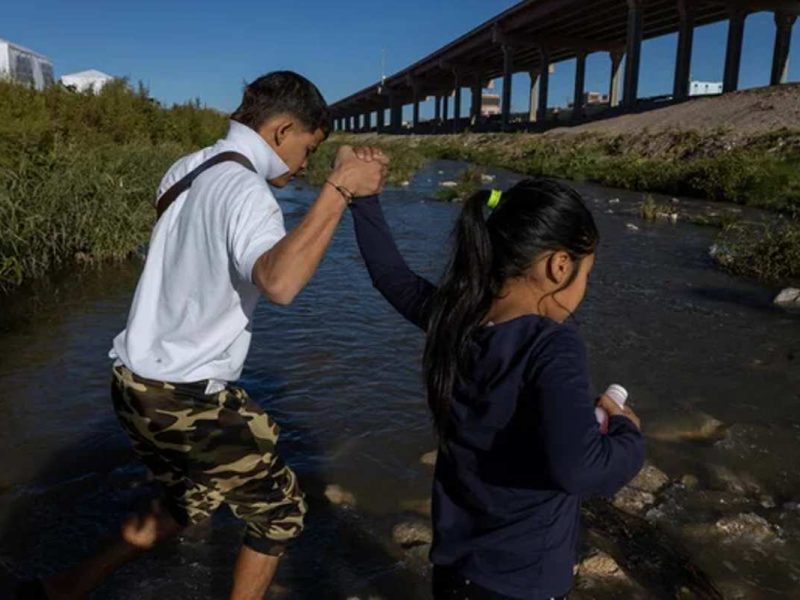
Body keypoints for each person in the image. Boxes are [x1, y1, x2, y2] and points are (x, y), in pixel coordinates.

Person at [25, 72, 388, 600]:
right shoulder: (247, 190)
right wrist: (339, 190)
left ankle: (64, 588)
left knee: (186, 502)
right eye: (308, 149)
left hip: (132, 381)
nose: (305, 165)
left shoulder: (188, 167)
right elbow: (280, 283)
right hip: (179, 395)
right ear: (282, 129)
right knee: (281, 513)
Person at [349, 172, 645, 600]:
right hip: (522, 583)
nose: (583, 290)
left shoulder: (456, 320)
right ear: (559, 265)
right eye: (586, 276)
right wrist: (627, 436)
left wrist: (364, 200)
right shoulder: (551, 344)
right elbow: (581, 471)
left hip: (454, 570)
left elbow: (390, 275)